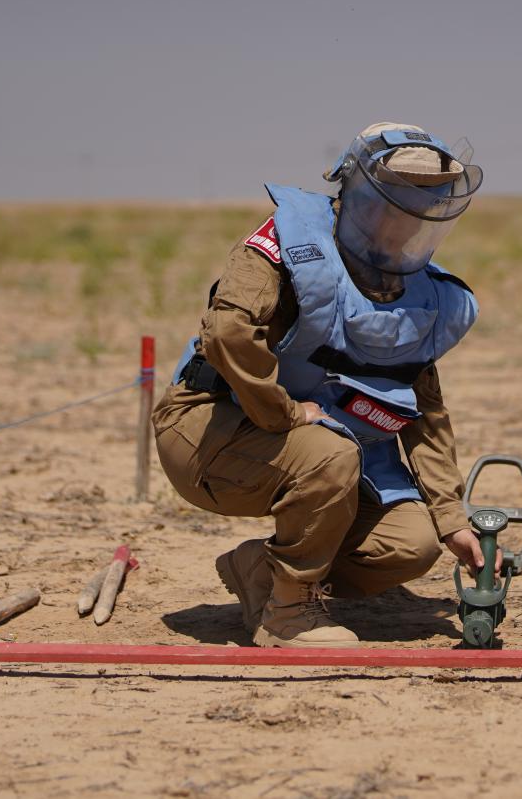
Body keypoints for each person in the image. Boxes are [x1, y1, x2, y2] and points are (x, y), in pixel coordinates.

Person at [152, 122, 490, 648]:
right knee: (329, 455)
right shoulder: (286, 247)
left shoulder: (422, 291)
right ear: (356, 191)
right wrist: (285, 412)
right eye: (395, 197)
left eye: (424, 201)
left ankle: (264, 573)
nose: (406, 215)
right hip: (211, 429)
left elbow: (424, 409)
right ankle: (287, 615)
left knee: (411, 545)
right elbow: (227, 332)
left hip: (335, 445)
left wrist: (451, 518)